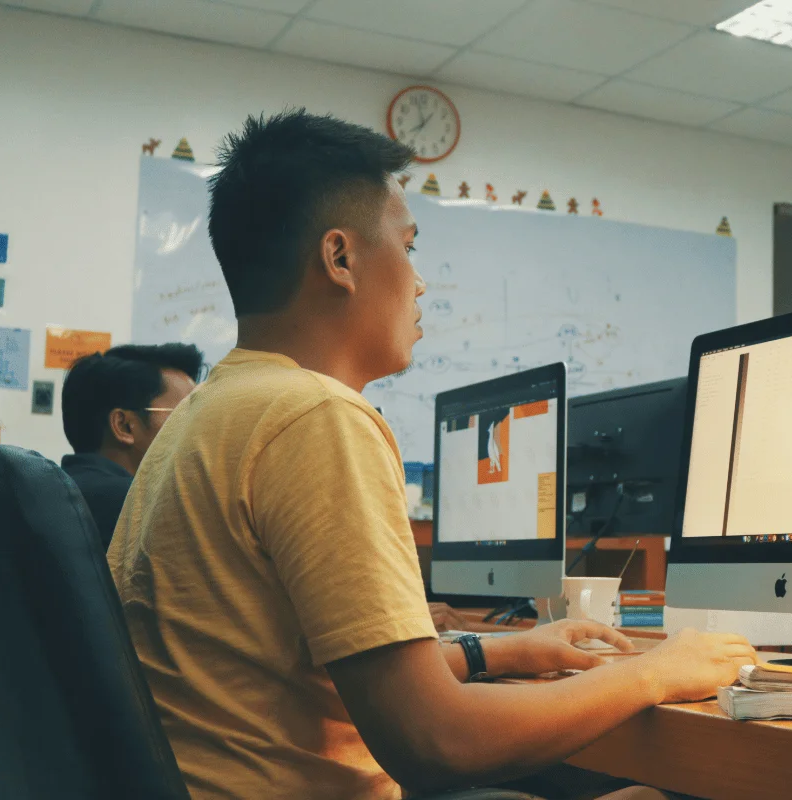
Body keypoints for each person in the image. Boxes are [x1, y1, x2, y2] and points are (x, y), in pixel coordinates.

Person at [107, 110, 755, 800]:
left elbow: (321, 669)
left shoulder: (210, 411)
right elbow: (436, 742)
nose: (419, 282)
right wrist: (656, 672)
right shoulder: (316, 416)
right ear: (341, 258)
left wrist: (505, 648)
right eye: (409, 247)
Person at [60, 343, 202, 546]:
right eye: (184, 413)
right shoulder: (141, 508)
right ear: (124, 426)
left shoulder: (61, 488)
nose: (197, 426)